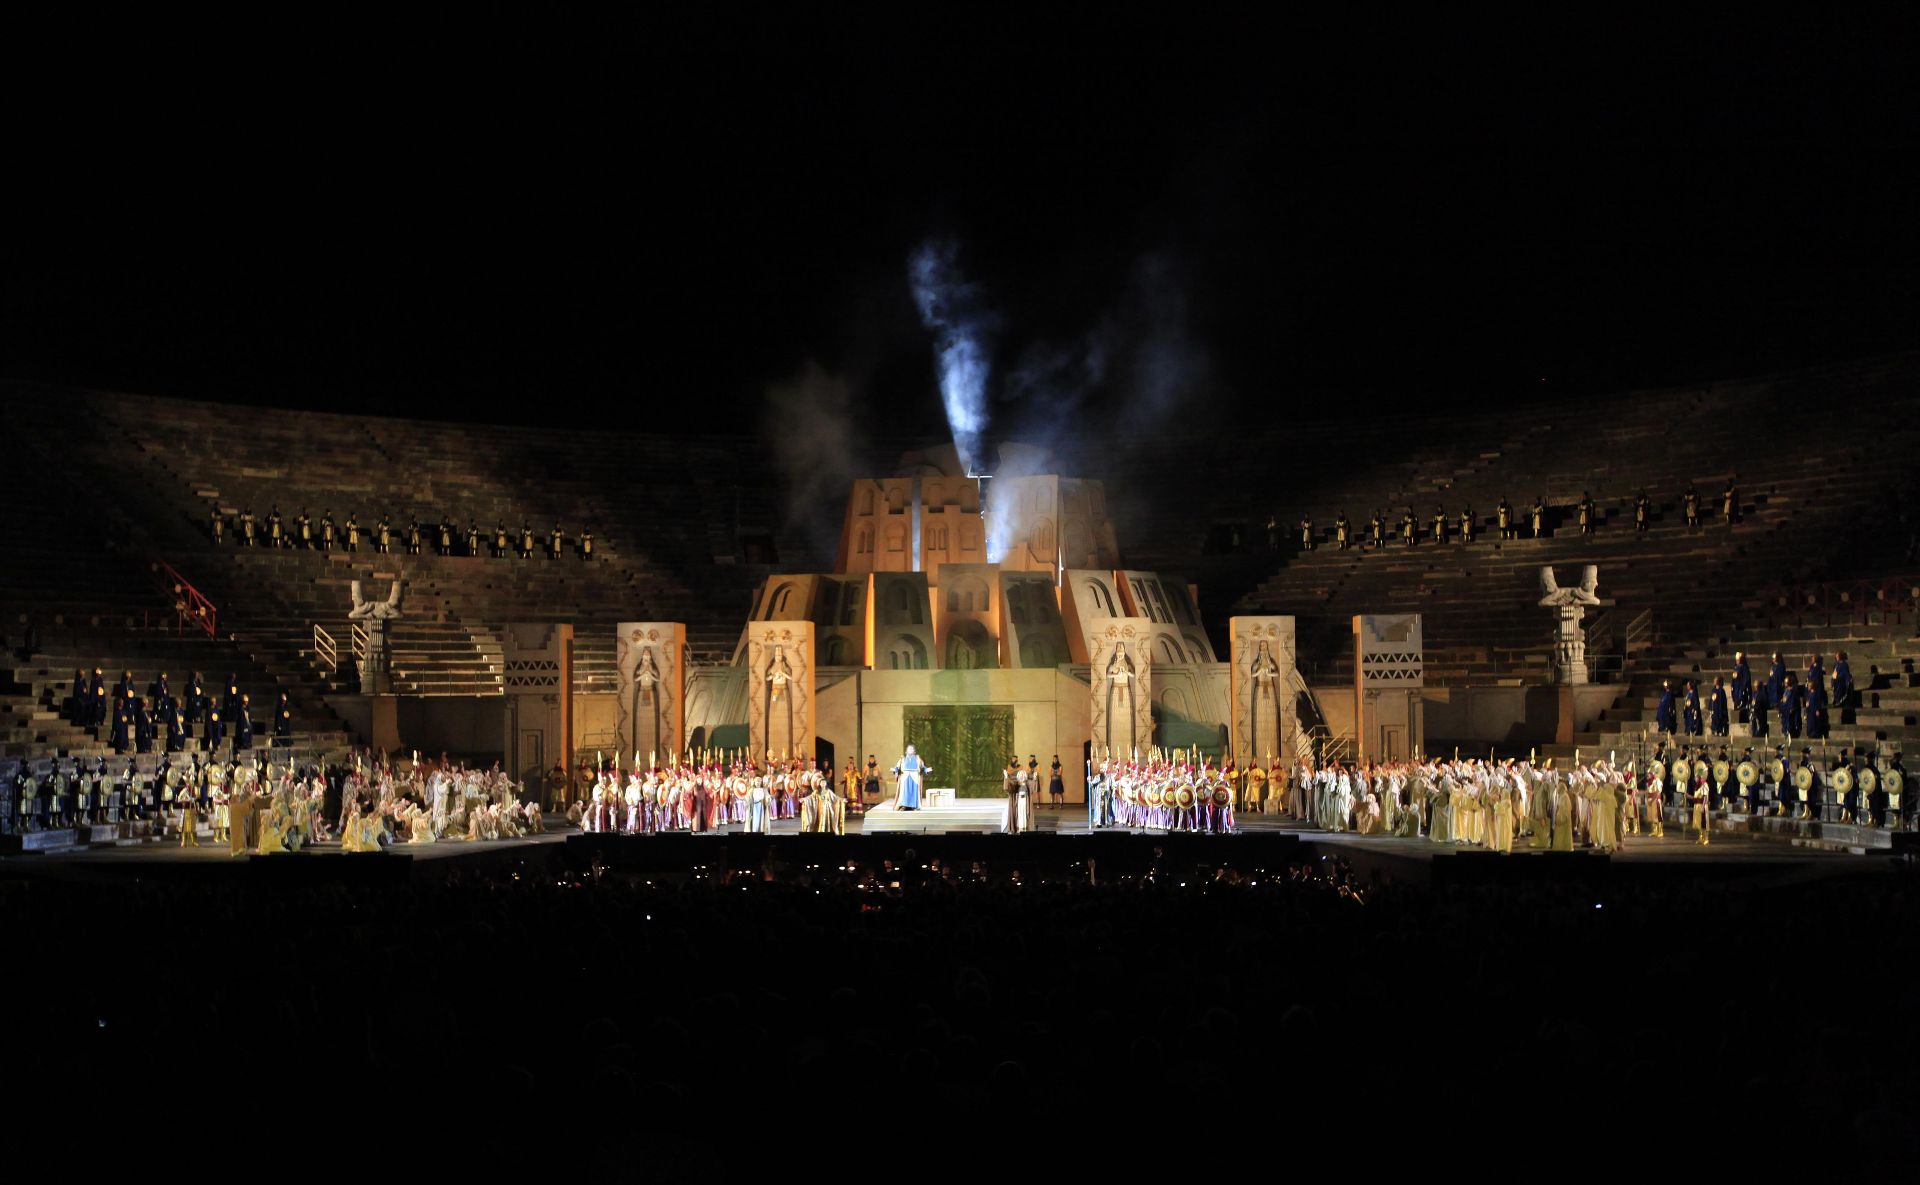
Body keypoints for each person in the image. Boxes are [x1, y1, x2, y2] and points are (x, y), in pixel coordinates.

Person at [892, 745, 928, 810]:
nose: (911, 750)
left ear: (914, 751)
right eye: (909, 749)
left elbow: (923, 766)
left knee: (914, 791)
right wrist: (895, 770)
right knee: (905, 791)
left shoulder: (918, 759)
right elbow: (897, 767)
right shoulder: (902, 759)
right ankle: (904, 805)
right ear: (906, 751)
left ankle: (913, 805)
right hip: (905, 776)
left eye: (912, 749)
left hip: (915, 776)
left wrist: (926, 770)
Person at [1730, 651, 1752, 725]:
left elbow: (1746, 679)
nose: (1737, 661)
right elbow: (1733, 679)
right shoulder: (1736, 668)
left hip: (1741, 689)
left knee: (1742, 705)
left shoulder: (1744, 668)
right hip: (1736, 689)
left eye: (1738, 660)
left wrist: (1743, 688)